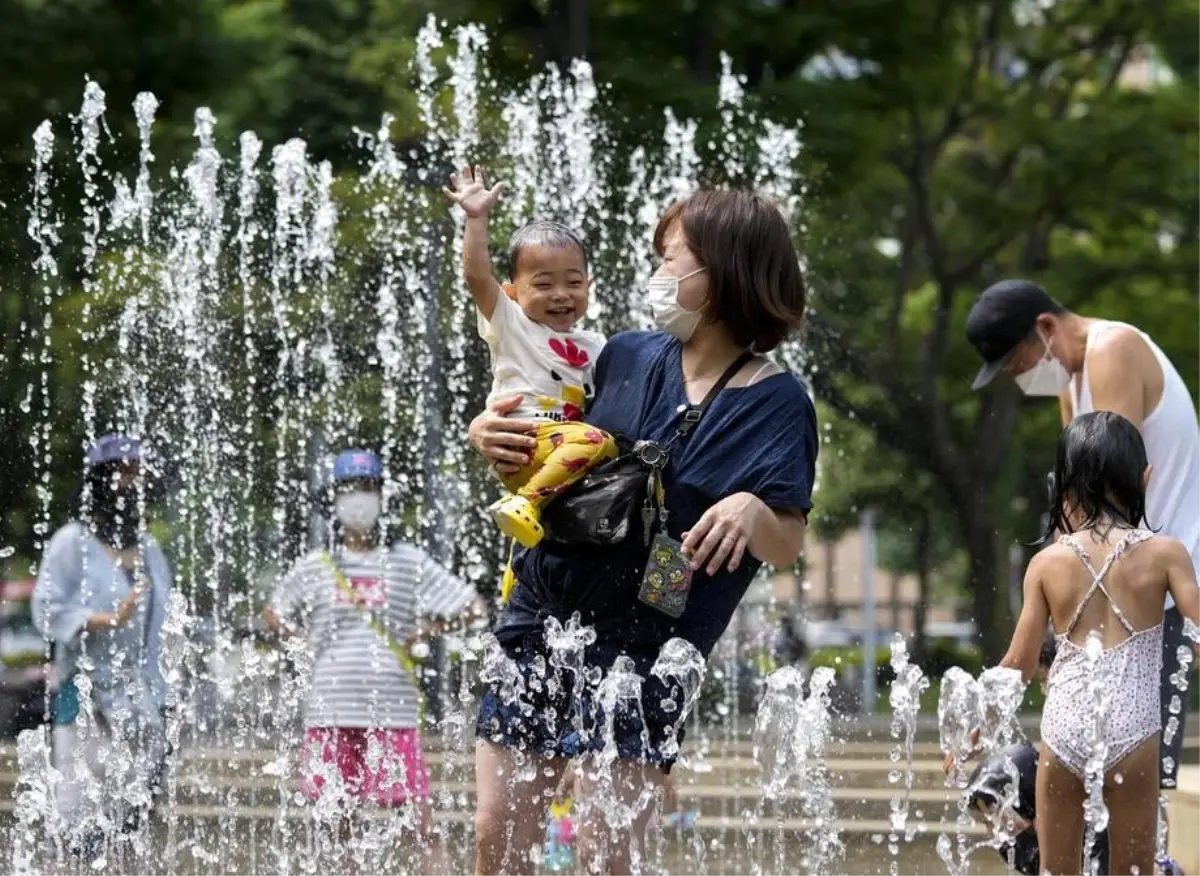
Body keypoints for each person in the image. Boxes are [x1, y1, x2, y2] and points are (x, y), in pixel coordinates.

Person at [466, 187, 816, 875]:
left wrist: (755, 510)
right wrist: (488, 432)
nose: (657, 273)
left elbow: (788, 542)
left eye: (670, 259)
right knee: (497, 834)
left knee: (604, 854)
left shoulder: (778, 403)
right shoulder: (623, 355)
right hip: (545, 613)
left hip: (650, 648)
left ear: (723, 274)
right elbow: (546, 434)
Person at [967, 279, 1200, 790]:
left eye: (1017, 364)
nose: (1019, 377)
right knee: (1069, 792)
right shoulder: (1072, 383)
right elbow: (1073, 511)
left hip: (1150, 596)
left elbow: (1108, 499)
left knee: (1130, 794)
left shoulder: (1113, 350)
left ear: (1045, 328)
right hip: (1107, 593)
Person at [993, 412, 1200, 876]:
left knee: (1056, 871)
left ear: (1065, 487)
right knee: (1134, 871)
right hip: (1134, 729)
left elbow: (1018, 665)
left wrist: (977, 724)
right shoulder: (1167, 554)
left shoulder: (1047, 563)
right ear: (1143, 477)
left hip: (1065, 726)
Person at [263, 449, 487, 871]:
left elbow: (474, 607)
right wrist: (300, 642)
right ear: (334, 500)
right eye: (350, 490)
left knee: (419, 820)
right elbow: (273, 611)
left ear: (383, 498)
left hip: (393, 708)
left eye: (367, 489)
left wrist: (426, 631)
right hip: (330, 707)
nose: (359, 499)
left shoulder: (406, 561)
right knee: (338, 822)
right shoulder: (317, 565)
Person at [444, 166, 617, 580]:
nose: (560, 295)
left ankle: (518, 568)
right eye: (543, 285)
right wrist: (476, 220)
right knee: (599, 442)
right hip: (525, 441)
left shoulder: (598, 345)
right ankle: (524, 503)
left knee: (591, 462)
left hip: (562, 453)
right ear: (512, 292)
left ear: (589, 286)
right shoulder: (511, 323)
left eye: (573, 282)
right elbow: (475, 275)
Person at [31, 433, 173, 858]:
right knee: (76, 818)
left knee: (131, 825)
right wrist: (106, 620)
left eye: (139, 477)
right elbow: (47, 611)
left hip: (142, 706)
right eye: (123, 476)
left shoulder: (150, 551)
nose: (133, 487)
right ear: (99, 482)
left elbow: (164, 629)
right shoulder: (72, 542)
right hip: (86, 701)